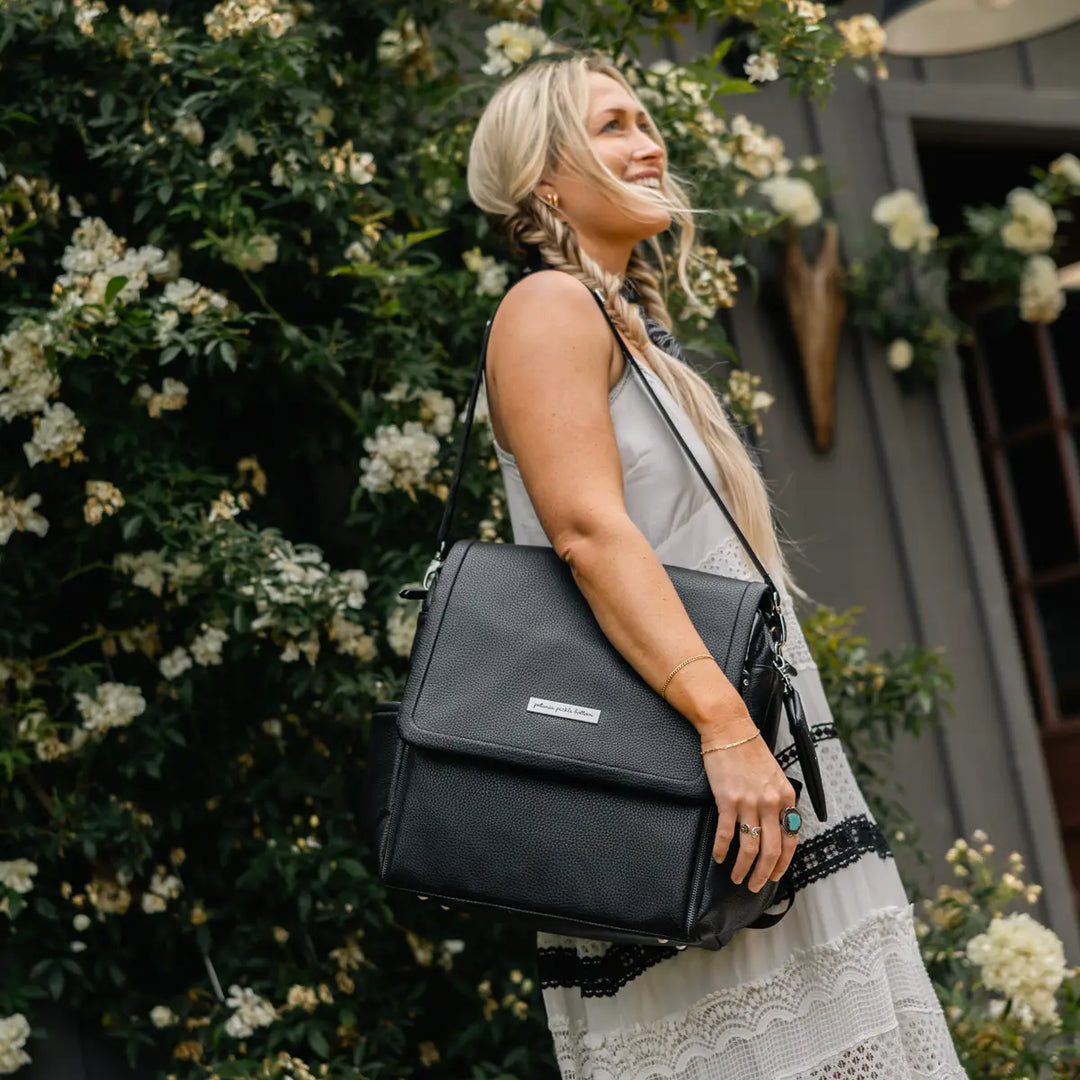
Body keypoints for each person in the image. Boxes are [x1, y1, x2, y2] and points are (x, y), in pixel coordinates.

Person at [465, 52, 966, 1080]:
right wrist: (727, 727)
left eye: (647, 120)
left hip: (744, 756)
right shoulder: (550, 308)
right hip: (683, 762)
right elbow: (589, 533)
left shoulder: (631, 326)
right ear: (542, 180)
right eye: (612, 126)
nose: (648, 142)